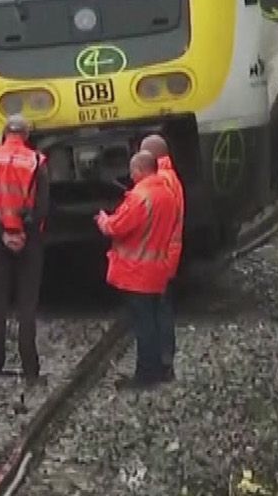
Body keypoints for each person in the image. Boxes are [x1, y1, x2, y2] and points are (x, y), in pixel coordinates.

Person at [0, 114, 51, 386]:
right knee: (26, 308)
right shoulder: (36, 161)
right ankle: (31, 371)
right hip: (29, 242)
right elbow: (42, 206)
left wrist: (2, 233)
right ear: (26, 135)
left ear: (4, 133)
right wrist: (23, 232)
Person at [95, 151, 180, 389]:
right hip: (157, 269)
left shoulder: (140, 197)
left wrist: (103, 220)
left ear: (141, 170)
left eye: (133, 171)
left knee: (143, 325)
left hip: (137, 272)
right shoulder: (168, 194)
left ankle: (145, 376)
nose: (131, 176)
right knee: (153, 320)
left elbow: (117, 227)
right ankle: (159, 370)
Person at [139, 133, 184, 380]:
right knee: (162, 308)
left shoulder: (161, 181)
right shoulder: (171, 177)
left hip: (161, 255)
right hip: (168, 251)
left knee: (158, 310)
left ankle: (161, 365)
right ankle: (164, 363)